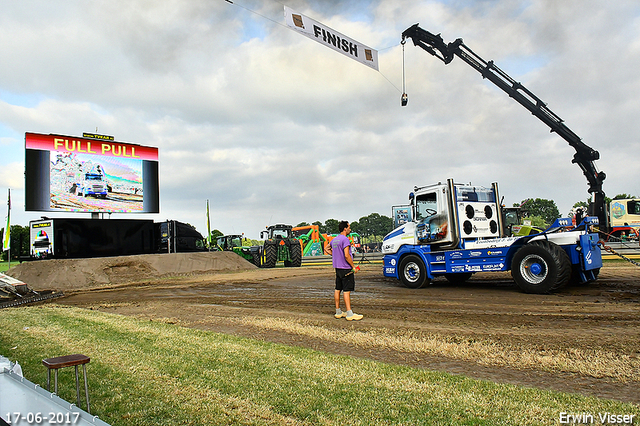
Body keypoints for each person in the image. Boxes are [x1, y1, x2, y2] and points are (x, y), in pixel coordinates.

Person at [326, 221, 363, 321]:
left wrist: (335, 255)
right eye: (349, 227)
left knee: (338, 289)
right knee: (346, 291)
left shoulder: (334, 240)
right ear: (345, 229)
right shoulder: (345, 240)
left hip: (338, 268)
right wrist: (353, 266)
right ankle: (349, 313)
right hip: (346, 268)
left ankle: (338, 311)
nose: (350, 229)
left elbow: (326, 248)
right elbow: (347, 255)